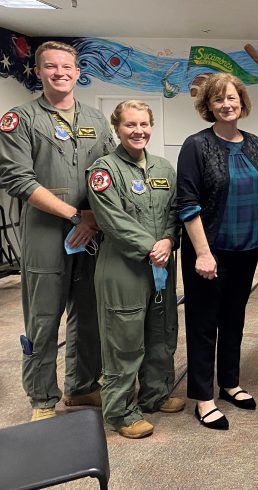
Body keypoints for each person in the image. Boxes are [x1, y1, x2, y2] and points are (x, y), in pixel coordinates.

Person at [0, 41, 114, 421]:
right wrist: (74, 215)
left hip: (91, 231)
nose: (60, 72)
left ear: (78, 72)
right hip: (46, 233)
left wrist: (95, 218)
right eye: (51, 66)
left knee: (89, 313)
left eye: (67, 66)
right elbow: (19, 180)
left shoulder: (97, 121)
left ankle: (82, 387)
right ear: (38, 72)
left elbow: (111, 171)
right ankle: (42, 398)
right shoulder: (21, 119)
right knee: (43, 317)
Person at [86, 100, 184, 438]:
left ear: (151, 125)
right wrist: (151, 247)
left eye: (143, 124)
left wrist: (169, 241)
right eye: (130, 125)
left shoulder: (163, 167)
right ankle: (121, 411)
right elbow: (111, 220)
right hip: (123, 267)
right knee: (124, 339)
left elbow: (175, 212)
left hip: (161, 267)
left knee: (161, 332)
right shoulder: (104, 169)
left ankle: (156, 395)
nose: (138, 131)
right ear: (117, 128)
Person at [177, 73, 258, 430]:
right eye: (219, 100)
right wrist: (202, 252)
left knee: (235, 319)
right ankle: (203, 397)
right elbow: (187, 203)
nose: (227, 104)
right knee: (203, 324)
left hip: (245, 249)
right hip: (208, 252)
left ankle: (229, 383)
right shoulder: (196, 145)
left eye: (232, 98)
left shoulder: (255, 144)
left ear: (242, 102)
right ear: (208, 106)